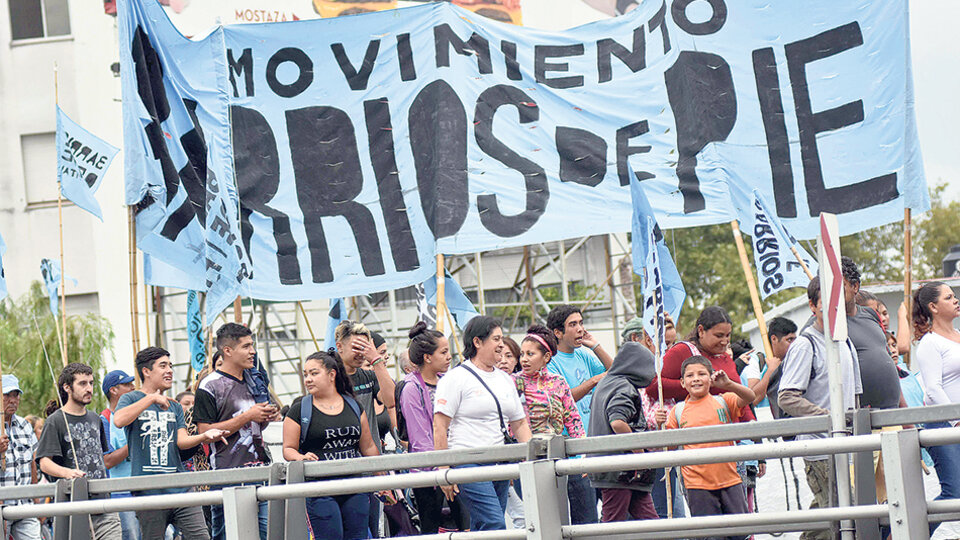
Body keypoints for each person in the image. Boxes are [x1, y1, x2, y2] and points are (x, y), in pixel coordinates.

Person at [778, 277, 862, 540]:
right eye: (826, 302)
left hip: (848, 446)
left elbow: (855, 395)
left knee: (832, 518)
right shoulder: (806, 344)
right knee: (836, 521)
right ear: (813, 306)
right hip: (821, 449)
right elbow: (787, 397)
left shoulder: (845, 341)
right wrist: (828, 418)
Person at [113, 347, 226, 539]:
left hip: (180, 487)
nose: (169, 370)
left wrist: (204, 437)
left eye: (170, 365)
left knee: (201, 537)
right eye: (163, 366)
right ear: (146, 371)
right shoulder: (130, 398)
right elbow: (119, 420)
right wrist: (151, 398)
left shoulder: (174, 405)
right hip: (148, 491)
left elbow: (181, 441)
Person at [433, 316, 533, 531]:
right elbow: (440, 426)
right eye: (496, 339)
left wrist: (534, 455)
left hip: (499, 461)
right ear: (477, 342)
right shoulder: (456, 378)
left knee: (483, 524)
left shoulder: (505, 379)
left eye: (502, 338)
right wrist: (443, 470)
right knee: (494, 521)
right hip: (468, 461)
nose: (501, 344)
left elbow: (520, 424)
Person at [282, 350, 381, 540]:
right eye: (305, 374)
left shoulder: (354, 405)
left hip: (355, 486)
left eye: (314, 373)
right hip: (320, 489)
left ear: (332, 374)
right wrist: (300, 458)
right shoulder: (299, 410)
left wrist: (382, 479)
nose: (308, 379)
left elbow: (367, 447)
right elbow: (288, 449)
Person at [194, 323, 279, 540]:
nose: (253, 352)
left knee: (267, 534)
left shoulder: (255, 380)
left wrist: (264, 418)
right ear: (228, 351)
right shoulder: (209, 385)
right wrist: (247, 416)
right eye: (246, 346)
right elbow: (204, 430)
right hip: (226, 475)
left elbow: (255, 428)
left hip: (261, 471)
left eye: (252, 346)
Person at [661, 356, 755, 535]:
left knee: (740, 532)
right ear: (682, 382)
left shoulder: (724, 401)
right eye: (690, 376)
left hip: (730, 479)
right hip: (697, 485)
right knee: (708, 535)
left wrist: (729, 385)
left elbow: (750, 396)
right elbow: (667, 446)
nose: (695, 378)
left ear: (710, 378)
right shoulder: (678, 411)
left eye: (701, 374)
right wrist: (661, 425)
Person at [36, 363, 122, 539]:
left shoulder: (95, 419)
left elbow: (104, 459)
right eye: (83, 383)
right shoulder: (55, 421)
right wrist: (67, 473)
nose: (89, 388)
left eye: (91, 383)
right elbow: (44, 462)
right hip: (72, 506)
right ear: (67, 387)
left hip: (103, 504)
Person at [545, 304, 613, 524]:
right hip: (573, 452)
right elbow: (563, 398)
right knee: (586, 520)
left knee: (613, 516)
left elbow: (616, 372)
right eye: (573, 324)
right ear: (558, 333)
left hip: (597, 446)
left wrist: (596, 346)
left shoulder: (584, 354)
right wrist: (593, 381)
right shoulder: (551, 361)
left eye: (581, 323)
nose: (580, 329)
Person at [514, 325, 589, 521]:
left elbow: (573, 419)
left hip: (558, 456)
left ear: (546, 357)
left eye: (530, 354)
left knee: (576, 516)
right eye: (522, 354)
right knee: (540, 519)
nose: (524, 359)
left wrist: (581, 456)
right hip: (526, 459)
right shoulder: (513, 383)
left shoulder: (558, 382)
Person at [400, 322, 467, 534]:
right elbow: (420, 438)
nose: (449, 357)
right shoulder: (411, 388)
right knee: (430, 529)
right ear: (428, 357)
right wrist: (441, 468)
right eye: (444, 352)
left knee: (467, 526)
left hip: (455, 462)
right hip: (428, 471)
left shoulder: (447, 381)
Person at [335, 321, 396, 537]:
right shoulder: (328, 377)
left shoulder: (368, 377)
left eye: (365, 347)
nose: (361, 353)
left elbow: (391, 400)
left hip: (370, 467)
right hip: (339, 467)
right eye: (356, 347)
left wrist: (376, 360)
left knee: (372, 530)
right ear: (339, 346)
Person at [588, 339, 660, 522]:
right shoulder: (625, 387)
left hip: (615, 467)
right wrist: (639, 452)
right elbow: (617, 422)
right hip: (619, 469)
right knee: (614, 524)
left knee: (649, 520)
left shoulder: (606, 384)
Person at [620, 317, 685, 519]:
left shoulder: (664, 369)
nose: (666, 349)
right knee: (655, 514)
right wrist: (654, 422)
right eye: (655, 339)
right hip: (645, 456)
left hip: (668, 452)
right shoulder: (629, 377)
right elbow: (630, 418)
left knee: (675, 513)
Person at [647, 306, 755, 422]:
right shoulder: (682, 351)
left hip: (733, 435)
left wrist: (752, 427)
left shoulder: (725, 357)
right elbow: (653, 386)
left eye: (728, 335)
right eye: (719, 336)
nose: (724, 341)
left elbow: (742, 402)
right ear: (701, 331)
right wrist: (698, 383)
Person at [912, 281, 960, 535]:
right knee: (954, 492)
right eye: (948, 297)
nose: (955, 300)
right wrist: (955, 420)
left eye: (954, 296)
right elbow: (933, 389)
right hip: (945, 424)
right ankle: (911, 534)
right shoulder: (930, 343)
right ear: (933, 307)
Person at [0, 375, 42, 540]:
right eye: (7, 395)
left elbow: (32, 463)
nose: (12, 400)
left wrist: (36, 499)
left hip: (25, 505)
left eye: (16, 395)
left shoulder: (25, 426)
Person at [100, 370, 138, 540]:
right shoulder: (104, 420)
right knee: (131, 535)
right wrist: (134, 443)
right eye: (127, 384)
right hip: (121, 493)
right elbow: (106, 461)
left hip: (146, 488)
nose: (133, 387)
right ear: (114, 390)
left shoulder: (138, 413)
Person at [741, 317, 797, 409]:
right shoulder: (756, 362)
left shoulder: (793, 362)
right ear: (774, 339)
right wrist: (770, 372)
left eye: (795, 340)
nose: (794, 344)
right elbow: (752, 400)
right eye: (789, 340)